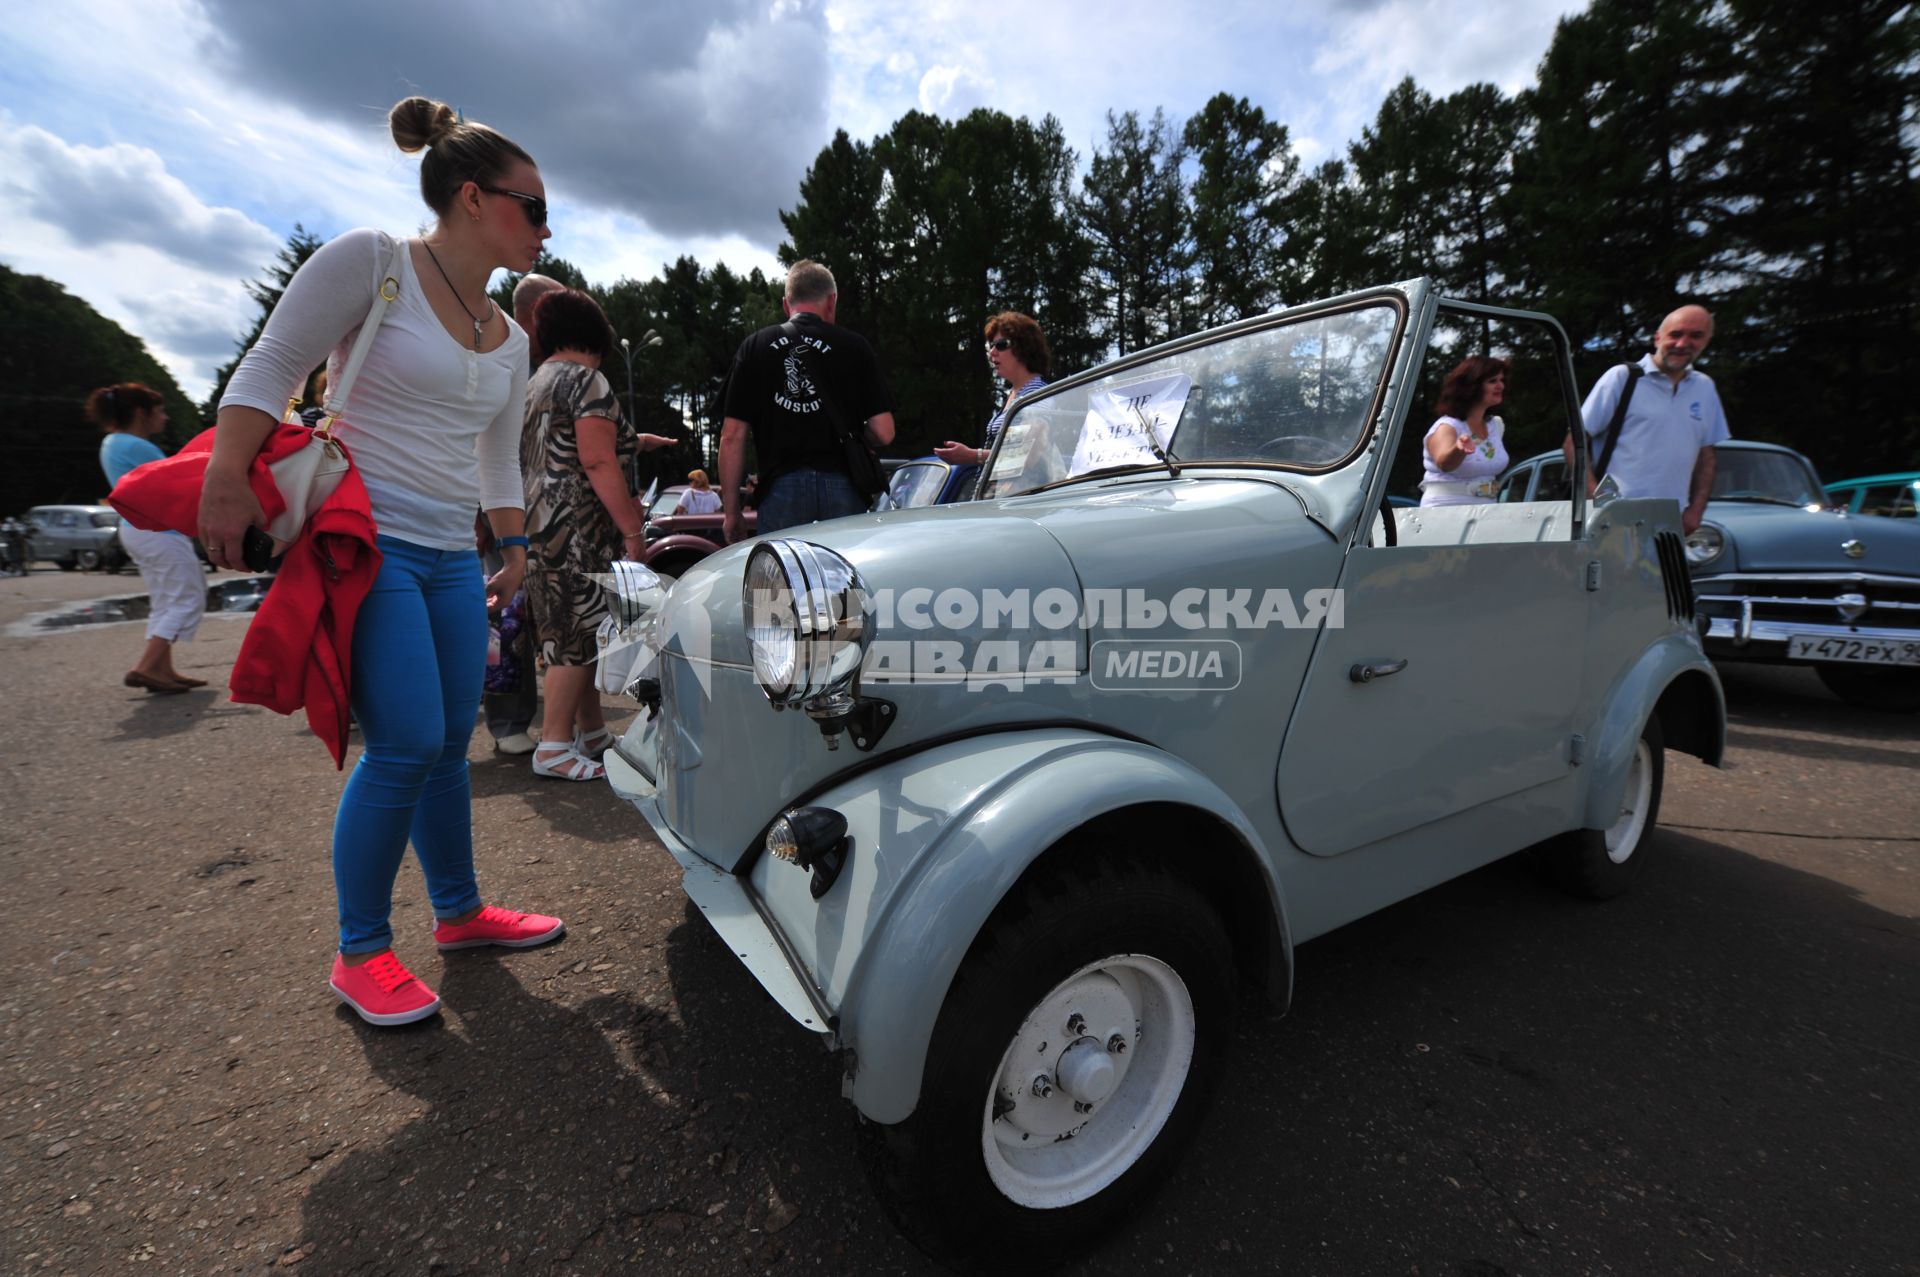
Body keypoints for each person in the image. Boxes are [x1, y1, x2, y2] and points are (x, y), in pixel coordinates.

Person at [200, 94, 565, 1028]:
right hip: (367, 543)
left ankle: (459, 913)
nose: (545, 227)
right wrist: (228, 471)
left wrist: (514, 541)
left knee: (449, 742)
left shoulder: (513, 333)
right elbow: (273, 360)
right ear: (475, 198)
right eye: (534, 206)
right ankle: (359, 949)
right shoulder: (375, 262)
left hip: (451, 553)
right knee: (404, 742)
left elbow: (496, 453)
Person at [521, 287, 676, 781]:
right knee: (574, 636)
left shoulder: (537, 382)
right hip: (576, 530)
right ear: (595, 331)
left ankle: (590, 733)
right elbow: (595, 458)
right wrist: (632, 530)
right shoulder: (588, 381)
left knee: (573, 632)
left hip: (537, 525)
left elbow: (571, 445)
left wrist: (637, 439)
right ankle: (553, 747)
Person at [719, 260, 895, 541]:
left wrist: (731, 512)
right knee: (846, 583)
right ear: (832, 301)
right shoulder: (855, 346)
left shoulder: (754, 346)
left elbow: (731, 437)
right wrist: (859, 438)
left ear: (786, 305)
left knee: (778, 583)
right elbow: (884, 431)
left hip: (779, 490)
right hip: (844, 488)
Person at [480, 272, 567, 757]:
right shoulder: (502, 358)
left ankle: (535, 720)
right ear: (539, 312)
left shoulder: (532, 365)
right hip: (501, 515)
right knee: (507, 622)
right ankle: (508, 722)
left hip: (529, 514)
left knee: (534, 621)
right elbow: (490, 451)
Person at [1567, 304, 1730, 532]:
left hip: (1672, 523)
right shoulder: (1623, 378)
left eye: (1696, 336)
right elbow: (1574, 442)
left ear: (1706, 341)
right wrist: (1597, 500)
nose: (1683, 344)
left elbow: (1707, 457)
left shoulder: (1704, 387)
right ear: (1657, 338)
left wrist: (1696, 511)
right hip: (1615, 521)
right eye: (1675, 334)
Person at [91, 383, 209, 691]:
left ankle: (162, 668)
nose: (165, 418)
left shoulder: (112, 443)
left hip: (135, 530)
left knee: (165, 600)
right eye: (159, 411)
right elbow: (178, 485)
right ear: (140, 413)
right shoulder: (136, 446)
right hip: (160, 532)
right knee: (186, 597)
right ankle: (145, 666)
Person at [936, 311, 1051, 471]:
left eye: (1001, 345)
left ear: (1025, 346)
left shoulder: (1037, 395)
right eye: (991, 346)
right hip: (1004, 492)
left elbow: (1028, 455)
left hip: (1020, 493)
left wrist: (973, 456)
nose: (992, 352)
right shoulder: (1018, 393)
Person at [1418, 356, 1510, 506]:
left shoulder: (1496, 425)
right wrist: (1458, 449)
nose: (1501, 386)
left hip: (1487, 511)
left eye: (1502, 380)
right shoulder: (1447, 427)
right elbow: (1445, 463)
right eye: (1493, 381)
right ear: (1471, 387)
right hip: (1445, 512)